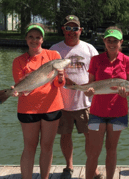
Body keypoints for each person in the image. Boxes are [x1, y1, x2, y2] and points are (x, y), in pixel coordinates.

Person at [49, 15, 102, 179]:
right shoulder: (54, 50)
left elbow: (98, 74)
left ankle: (93, 168)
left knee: (90, 136)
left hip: (85, 102)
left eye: (75, 28)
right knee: (65, 136)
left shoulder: (90, 49)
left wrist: (94, 88)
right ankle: (69, 166)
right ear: (63, 30)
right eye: (68, 28)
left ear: (80, 30)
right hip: (61, 103)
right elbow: (49, 75)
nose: (71, 32)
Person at [12, 23, 65, 179]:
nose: (34, 40)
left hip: (52, 107)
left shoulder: (54, 56)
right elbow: (22, 87)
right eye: (31, 37)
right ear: (26, 39)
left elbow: (58, 84)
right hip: (28, 109)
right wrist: (17, 91)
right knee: (29, 147)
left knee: (47, 147)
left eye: (38, 37)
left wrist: (60, 77)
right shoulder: (19, 61)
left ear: (42, 39)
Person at [84, 26, 129, 179]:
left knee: (112, 150)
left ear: (121, 42)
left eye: (115, 41)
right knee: (94, 151)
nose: (112, 44)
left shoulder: (128, 61)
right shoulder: (96, 60)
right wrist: (88, 91)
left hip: (118, 113)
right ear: (104, 41)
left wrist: (126, 93)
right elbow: (90, 84)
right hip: (96, 112)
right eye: (108, 40)